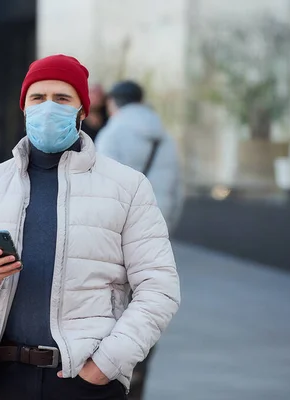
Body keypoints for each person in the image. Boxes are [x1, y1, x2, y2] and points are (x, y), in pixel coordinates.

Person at [0, 54, 180, 400]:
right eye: (38, 98)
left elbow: (160, 288)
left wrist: (104, 366)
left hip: (85, 381)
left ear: (83, 111)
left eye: (62, 98)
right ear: (24, 108)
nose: (48, 108)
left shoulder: (127, 187)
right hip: (3, 378)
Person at [95, 80, 185, 399]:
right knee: (147, 313)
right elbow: (177, 193)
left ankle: (111, 383)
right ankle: (136, 385)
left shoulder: (113, 133)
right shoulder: (166, 139)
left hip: (116, 244)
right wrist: (162, 232)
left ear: (113, 104)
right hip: (155, 241)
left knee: (112, 315)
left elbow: (99, 190)